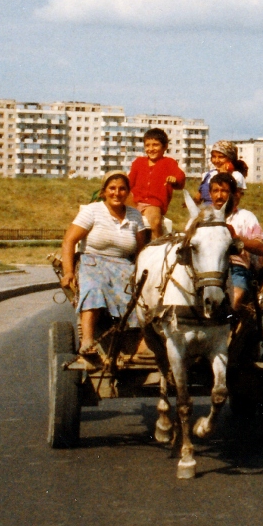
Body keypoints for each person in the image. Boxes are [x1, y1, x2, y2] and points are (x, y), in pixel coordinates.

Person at [60, 171, 150, 355]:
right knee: (94, 287)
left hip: (124, 265)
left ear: (128, 192)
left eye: (122, 189)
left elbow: (142, 250)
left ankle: (140, 340)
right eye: (112, 188)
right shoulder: (92, 211)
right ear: (104, 191)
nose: (117, 193)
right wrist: (68, 272)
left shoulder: (134, 216)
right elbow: (69, 241)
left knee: (138, 296)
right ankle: (87, 340)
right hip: (92, 262)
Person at [207, 172, 263, 312]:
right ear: (210, 194)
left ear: (233, 194)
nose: (219, 195)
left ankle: (228, 322)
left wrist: (236, 238)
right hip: (207, 269)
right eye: (215, 191)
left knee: (235, 297)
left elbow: (262, 248)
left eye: (224, 191)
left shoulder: (245, 217)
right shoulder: (202, 217)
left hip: (235, 269)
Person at [127, 128, 186, 235]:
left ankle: (157, 242)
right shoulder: (138, 162)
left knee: (155, 222)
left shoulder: (169, 163)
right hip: (134, 201)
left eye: (155, 145)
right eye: (147, 145)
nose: (151, 149)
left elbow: (180, 176)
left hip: (152, 204)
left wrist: (175, 179)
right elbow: (129, 182)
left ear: (165, 146)